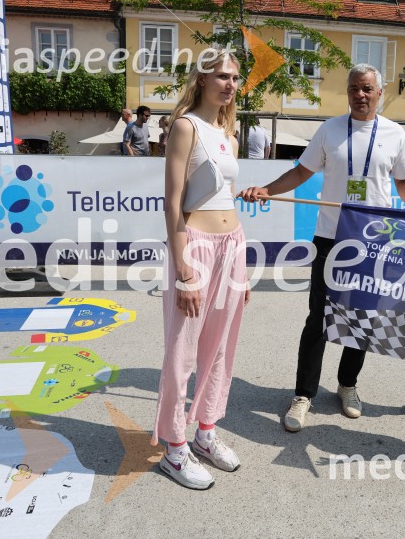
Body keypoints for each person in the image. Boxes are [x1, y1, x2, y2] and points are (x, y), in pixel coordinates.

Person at [238, 63, 405, 432]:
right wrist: (267, 189)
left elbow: (404, 184)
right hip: (331, 238)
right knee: (319, 318)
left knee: (361, 317)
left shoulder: (394, 134)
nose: (359, 95)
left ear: (380, 92)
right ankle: (303, 394)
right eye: (353, 89)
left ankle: (348, 385)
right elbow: (301, 173)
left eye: (366, 89)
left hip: (372, 240)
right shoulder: (329, 129)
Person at [152, 50, 249, 490]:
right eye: (222, 76)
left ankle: (205, 432)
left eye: (235, 78)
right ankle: (174, 447)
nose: (230, 84)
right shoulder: (186, 126)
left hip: (232, 247)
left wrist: (241, 268)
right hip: (198, 249)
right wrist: (183, 272)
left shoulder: (227, 130)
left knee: (221, 349)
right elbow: (173, 204)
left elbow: (224, 195)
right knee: (182, 353)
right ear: (203, 78)